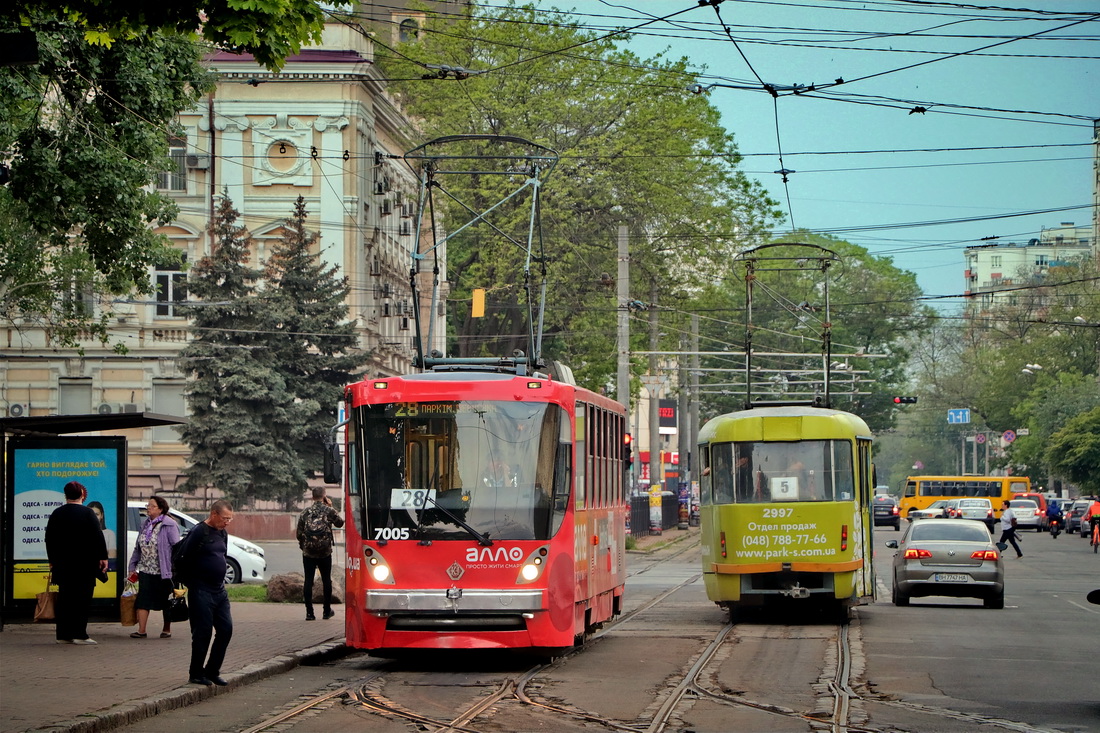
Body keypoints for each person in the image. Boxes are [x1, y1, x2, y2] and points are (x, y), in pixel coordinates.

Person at [176, 500, 234, 686]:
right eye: (225, 518)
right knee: (203, 633)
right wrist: (191, 582)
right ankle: (196, 673)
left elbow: (221, 555)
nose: (227, 522)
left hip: (219, 591)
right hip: (201, 590)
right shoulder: (199, 531)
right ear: (214, 514)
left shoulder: (222, 533)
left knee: (225, 630)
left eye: (230, 519)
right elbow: (182, 557)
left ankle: (212, 671)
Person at [44, 481, 108, 645]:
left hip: (63, 566)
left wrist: (53, 561)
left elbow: (49, 539)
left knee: (65, 599)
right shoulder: (88, 513)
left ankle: (63, 635)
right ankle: (80, 634)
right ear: (81, 494)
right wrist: (103, 557)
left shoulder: (57, 513)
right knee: (82, 599)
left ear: (66, 495)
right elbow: (97, 536)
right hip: (84, 565)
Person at [126, 496, 181, 639]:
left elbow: (176, 547)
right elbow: (138, 547)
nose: (148, 508)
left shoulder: (169, 525)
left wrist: (176, 568)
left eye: (152, 506)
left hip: (164, 571)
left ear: (161, 509)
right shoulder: (145, 524)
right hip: (145, 569)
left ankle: (166, 629)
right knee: (143, 600)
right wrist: (132, 565)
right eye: (148, 505)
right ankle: (141, 630)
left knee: (166, 601)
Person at [296, 487, 344, 621]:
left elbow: (299, 534)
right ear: (324, 496)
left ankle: (309, 613)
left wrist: (304, 546)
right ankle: (326, 611)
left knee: (308, 580)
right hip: (325, 552)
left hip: (308, 552)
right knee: (326, 580)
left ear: (312, 497)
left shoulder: (305, 512)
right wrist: (330, 506)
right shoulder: (328, 511)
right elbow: (340, 523)